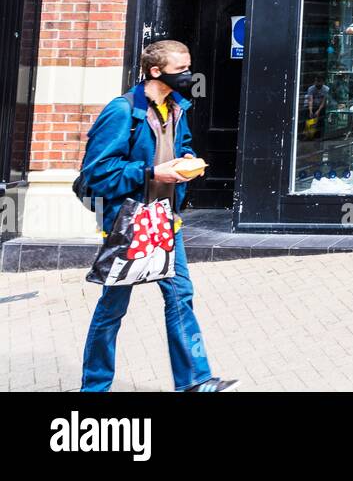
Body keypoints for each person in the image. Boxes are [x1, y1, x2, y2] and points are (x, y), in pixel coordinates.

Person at [78, 39, 238, 393]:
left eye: (188, 67)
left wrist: (186, 161)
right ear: (155, 71)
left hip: (165, 219)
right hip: (128, 221)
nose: (189, 75)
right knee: (113, 306)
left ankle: (195, 380)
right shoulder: (123, 112)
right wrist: (153, 173)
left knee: (180, 295)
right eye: (181, 69)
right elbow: (98, 172)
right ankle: (94, 387)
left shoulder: (176, 107)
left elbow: (181, 146)